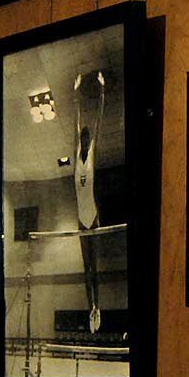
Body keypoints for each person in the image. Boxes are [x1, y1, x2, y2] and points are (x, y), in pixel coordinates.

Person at [70, 69, 106, 332]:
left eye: (86, 139)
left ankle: (99, 305)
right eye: (81, 139)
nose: (84, 141)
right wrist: (75, 92)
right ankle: (90, 307)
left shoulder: (92, 153)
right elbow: (77, 117)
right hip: (81, 219)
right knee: (86, 269)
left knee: (95, 266)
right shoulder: (76, 155)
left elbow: (99, 120)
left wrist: (102, 90)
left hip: (92, 215)